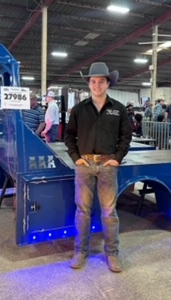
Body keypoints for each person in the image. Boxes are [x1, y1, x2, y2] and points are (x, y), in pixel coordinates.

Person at [64, 62, 132, 273]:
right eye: (93, 81)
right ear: (89, 84)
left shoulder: (118, 109)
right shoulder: (79, 109)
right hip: (84, 164)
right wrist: (76, 158)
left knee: (109, 212)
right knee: (82, 211)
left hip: (108, 164)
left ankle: (112, 253)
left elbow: (125, 136)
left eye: (101, 81)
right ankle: (80, 251)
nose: (96, 85)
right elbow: (68, 135)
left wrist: (117, 158)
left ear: (108, 83)